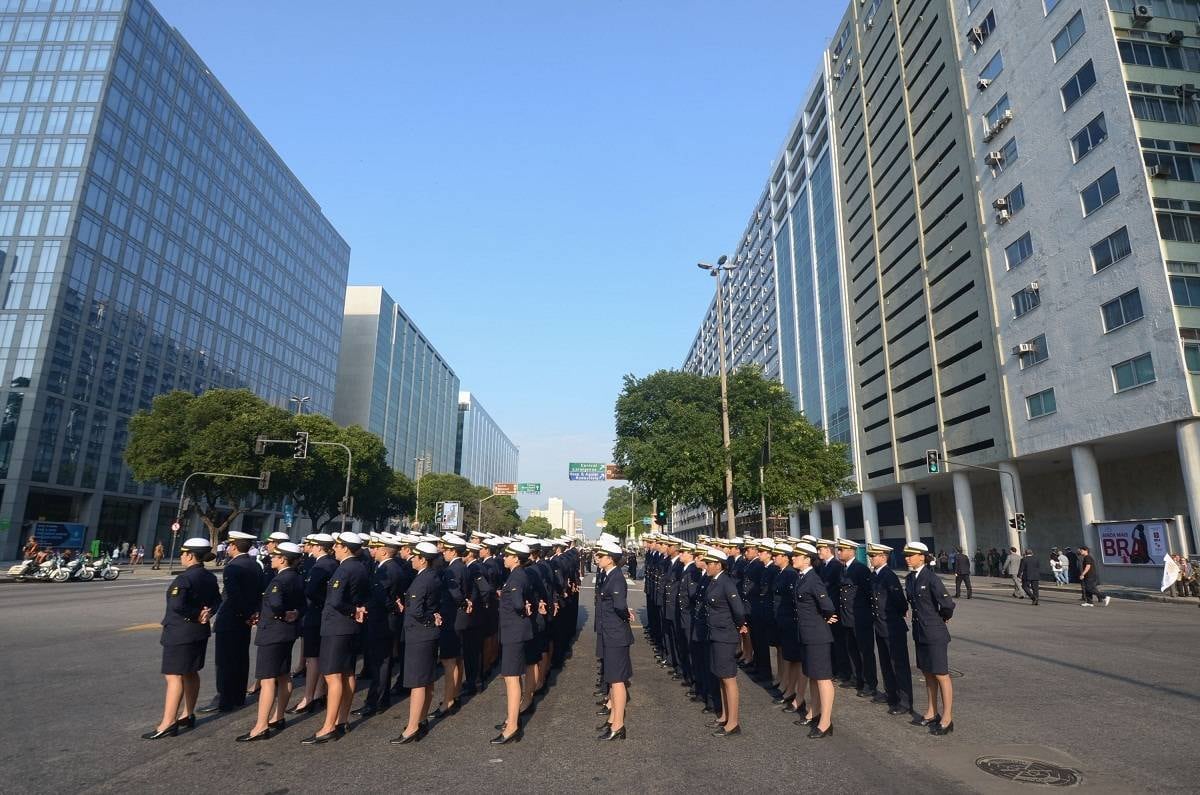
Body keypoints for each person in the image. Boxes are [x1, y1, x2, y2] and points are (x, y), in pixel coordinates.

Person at [143, 537, 220, 739]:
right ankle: (188, 714)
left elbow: (177, 605)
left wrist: (195, 614)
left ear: (190, 555)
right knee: (191, 672)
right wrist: (207, 613)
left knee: (174, 676)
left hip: (180, 632)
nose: (181, 557)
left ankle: (168, 722)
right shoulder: (209, 577)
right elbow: (218, 600)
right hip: (199, 632)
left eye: (183, 553)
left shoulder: (184, 579)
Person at [302, 531, 369, 744]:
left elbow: (336, 600)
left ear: (346, 548)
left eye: (338, 546)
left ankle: (329, 726)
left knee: (333, 676)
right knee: (348, 673)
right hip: (350, 628)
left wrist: (351, 611)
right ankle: (342, 720)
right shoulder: (361, 566)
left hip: (337, 626)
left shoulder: (345, 569)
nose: (335, 550)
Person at [237, 542, 304, 741]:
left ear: (283, 559)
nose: (271, 558)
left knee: (267, 680)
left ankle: (261, 725)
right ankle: (279, 716)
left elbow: (275, 605)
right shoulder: (297, 578)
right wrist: (295, 613)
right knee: (283, 675)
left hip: (273, 633)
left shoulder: (278, 581)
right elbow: (303, 604)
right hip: (287, 632)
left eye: (274, 556)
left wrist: (282, 613)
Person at [201, 530, 261, 714]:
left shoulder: (233, 567)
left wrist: (243, 614)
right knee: (241, 658)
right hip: (246, 619)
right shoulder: (255, 565)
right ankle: (238, 696)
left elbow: (233, 596)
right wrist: (252, 614)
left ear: (234, 546)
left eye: (229, 545)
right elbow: (259, 592)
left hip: (231, 618)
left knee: (225, 661)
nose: (227, 548)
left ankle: (224, 700)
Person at [391, 541, 444, 745]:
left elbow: (416, 610)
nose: (412, 560)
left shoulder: (423, 580)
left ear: (423, 559)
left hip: (419, 634)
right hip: (427, 634)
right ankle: (420, 721)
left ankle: (412, 727)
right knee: (427, 680)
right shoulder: (432, 576)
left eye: (415, 557)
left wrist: (428, 617)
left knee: (418, 683)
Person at [904, 541, 955, 736]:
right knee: (927, 673)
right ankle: (931, 711)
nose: (907, 558)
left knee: (941, 674)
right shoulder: (910, 578)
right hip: (920, 632)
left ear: (922, 556)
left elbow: (947, 603)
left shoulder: (931, 578)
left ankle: (947, 717)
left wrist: (942, 618)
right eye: (906, 555)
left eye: (911, 555)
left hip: (934, 632)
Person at [354, 533, 406, 718]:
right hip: (386, 619)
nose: (371, 551)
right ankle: (379, 699)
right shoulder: (393, 567)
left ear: (384, 551)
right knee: (383, 662)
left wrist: (390, 606)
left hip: (382, 621)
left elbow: (382, 597)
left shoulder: (388, 570)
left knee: (380, 663)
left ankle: (375, 701)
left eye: (375, 548)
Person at [791, 541, 838, 738]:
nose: (793, 558)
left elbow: (827, 605)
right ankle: (814, 712)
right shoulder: (802, 577)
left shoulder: (813, 579)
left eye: (796, 555)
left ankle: (826, 723)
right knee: (812, 675)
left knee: (823, 678)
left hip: (817, 636)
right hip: (807, 634)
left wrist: (828, 615)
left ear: (806, 559)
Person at [289, 533, 336, 714]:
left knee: (313, 657)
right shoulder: (333, 563)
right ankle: (319, 692)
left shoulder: (320, 566)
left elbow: (310, 591)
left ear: (318, 547)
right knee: (321, 655)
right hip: (324, 615)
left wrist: (322, 603)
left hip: (315, 614)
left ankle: (309, 697)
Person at [702, 547, 747, 737]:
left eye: (709, 564)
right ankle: (725, 716)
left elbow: (738, 610)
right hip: (715, 634)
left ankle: (733, 722)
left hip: (725, 635)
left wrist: (740, 626)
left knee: (728, 678)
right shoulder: (714, 581)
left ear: (718, 565)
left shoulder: (726, 583)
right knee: (720, 676)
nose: (706, 566)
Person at [492, 540, 533, 744]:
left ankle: (512, 726)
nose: (504, 558)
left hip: (514, 632)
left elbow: (517, 605)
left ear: (516, 558)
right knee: (513, 676)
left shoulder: (516, 577)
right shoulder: (518, 575)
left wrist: (520, 605)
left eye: (507, 555)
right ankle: (512, 719)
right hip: (515, 632)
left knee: (511, 678)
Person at [866, 542, 913, 718]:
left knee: (898, 665)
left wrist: (898, 614)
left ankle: (905, 701)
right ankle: (891, 693)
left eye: (874, 556)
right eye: (870, 556)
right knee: (886, 662)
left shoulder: (888, 575)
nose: (871, 558)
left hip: (892, 627)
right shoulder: (875, 575)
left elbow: (899, 601)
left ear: (883, 557)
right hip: (880, 625)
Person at [594, 540, 633, 740]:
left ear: (610, 559)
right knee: (613, 680)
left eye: (601, 556)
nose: (597, 558)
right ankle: (613, 719)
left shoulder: (616, 577)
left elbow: (619, 605)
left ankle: (618, 725)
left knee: (617, 681)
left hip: (616, 634)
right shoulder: (610, 575)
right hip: (610, 632)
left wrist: (626, 614)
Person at [834, 538, 878, 700]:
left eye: (842, 550)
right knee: (851, 650)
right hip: (847, 617)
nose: (839, 552)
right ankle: (856, 678)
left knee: (864, 652)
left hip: (860, 618)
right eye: (838, 550)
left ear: (851, 551)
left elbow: (869, 594)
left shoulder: (860, 569)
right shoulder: (844, 568)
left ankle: (869, 683)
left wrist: (867, 615)